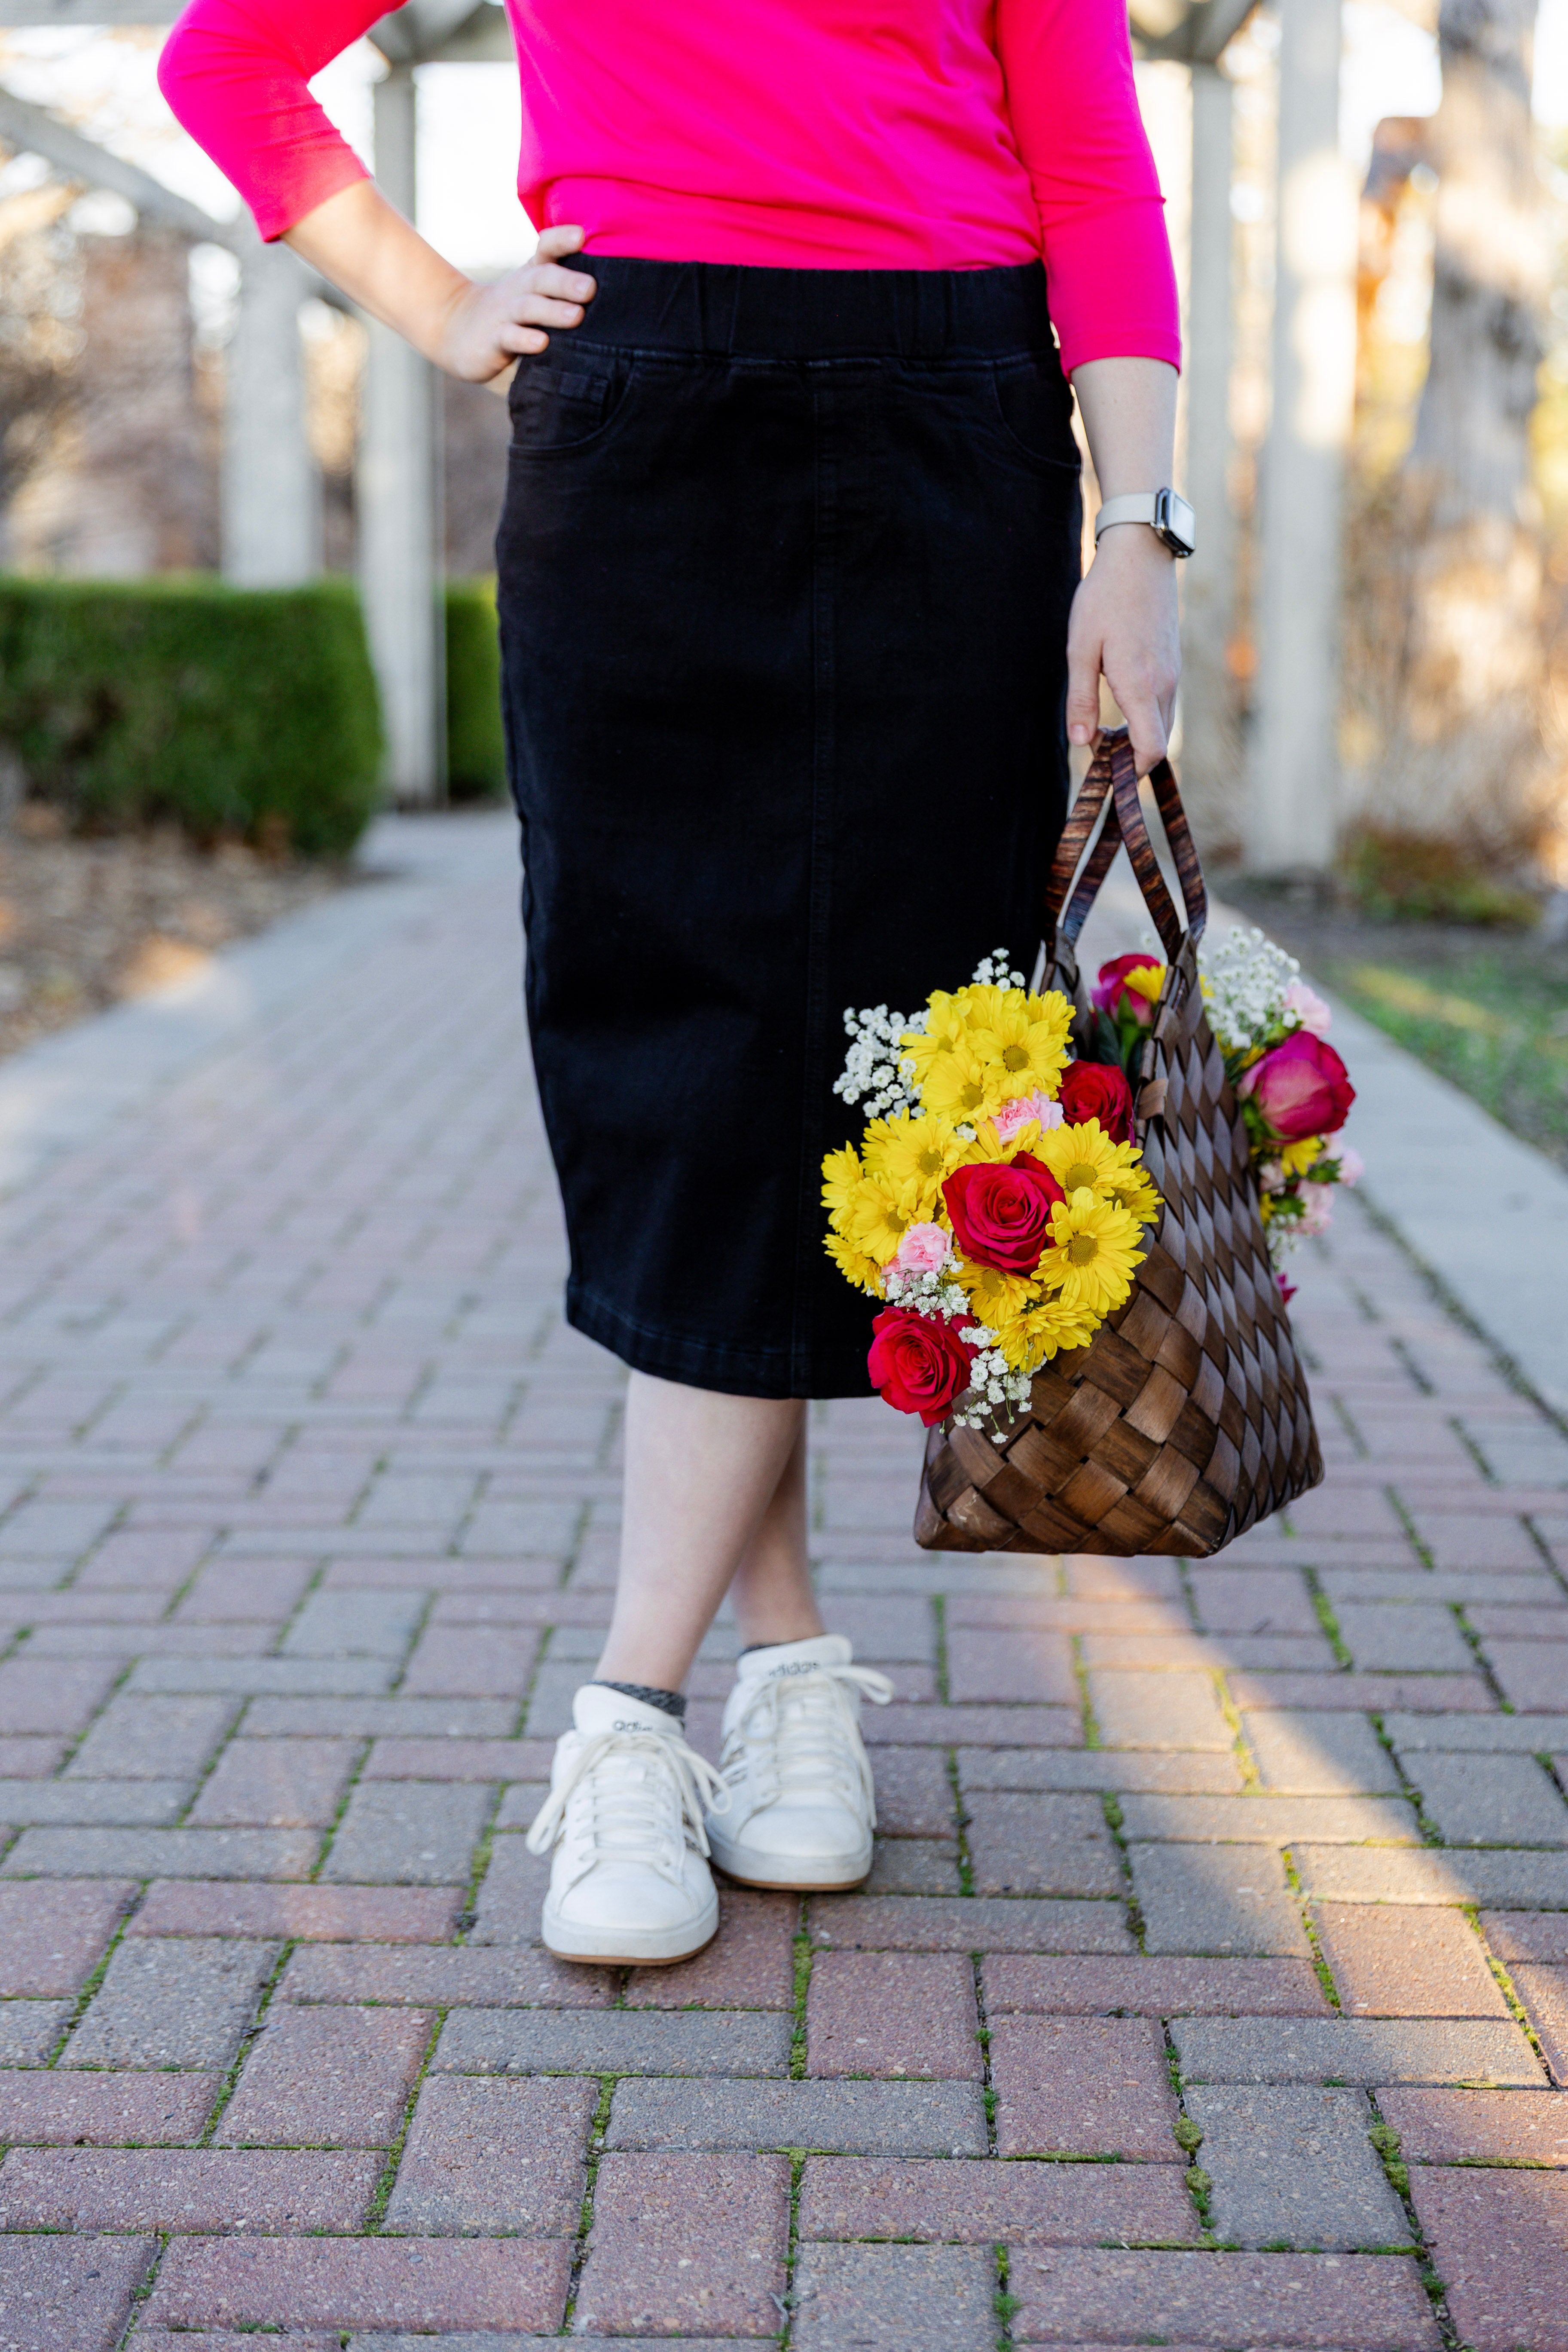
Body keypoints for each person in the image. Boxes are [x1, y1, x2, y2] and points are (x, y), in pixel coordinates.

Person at [159, 0, 1183, 1968]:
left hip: (954, 428)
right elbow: (225, 62)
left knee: (891, 1080)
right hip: (642, 431)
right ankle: (721, 1684)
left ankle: (682, 1692)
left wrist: (1133, 527)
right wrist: (434, 298)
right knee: (679, 1077)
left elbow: (1094, 176)